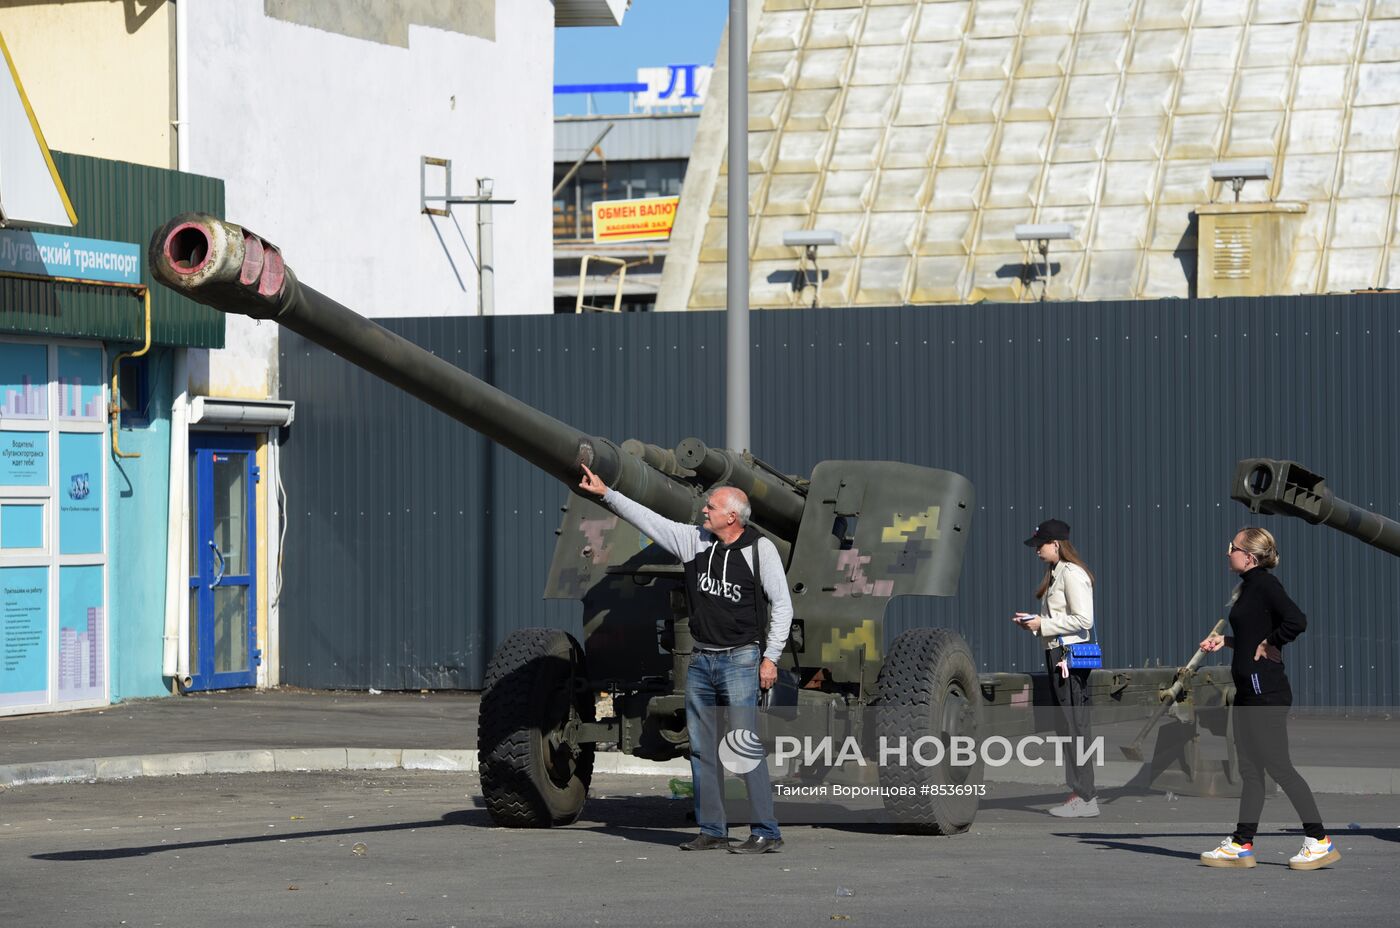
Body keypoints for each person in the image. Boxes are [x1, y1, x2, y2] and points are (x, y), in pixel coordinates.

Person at [578, 464, 792, 854]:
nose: (703, 510)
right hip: (702, 661)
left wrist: (770, 658)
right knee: (701, 748)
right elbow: (648, 519)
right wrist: (606, 494)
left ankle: (766, 832)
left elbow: (782, 605)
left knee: (743, 746)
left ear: (732, 516)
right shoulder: (693, 541)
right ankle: (712, 828)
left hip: (741, 661)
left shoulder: (761, 551)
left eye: (710, 506)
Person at [1197, 527, 1340, 871]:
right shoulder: (1249, 587)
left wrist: (1272, 642)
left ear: (1249, 556)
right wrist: (1228, 643)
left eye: (1231, 547)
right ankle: (1241, 844)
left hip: (1266, 694)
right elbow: (1252, 634)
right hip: (1248, 693)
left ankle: (1319, 840)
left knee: (1279, 767)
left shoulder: (1265, 584)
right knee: (1250, 770)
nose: (1226, 552)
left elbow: (1297, 620)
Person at [1012, 518, 1099, 818]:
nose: (1036, 549)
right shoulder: (1055, 573)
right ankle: (1078, 792)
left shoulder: (1072, 574)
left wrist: (1043, 623)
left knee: (1076, 725)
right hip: (1058, 654)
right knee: (1067, 726)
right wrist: (1036, 626)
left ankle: (1086, 797)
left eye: (1040, 544)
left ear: (1056, 545)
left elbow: (1083, 620)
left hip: (1070, 658)